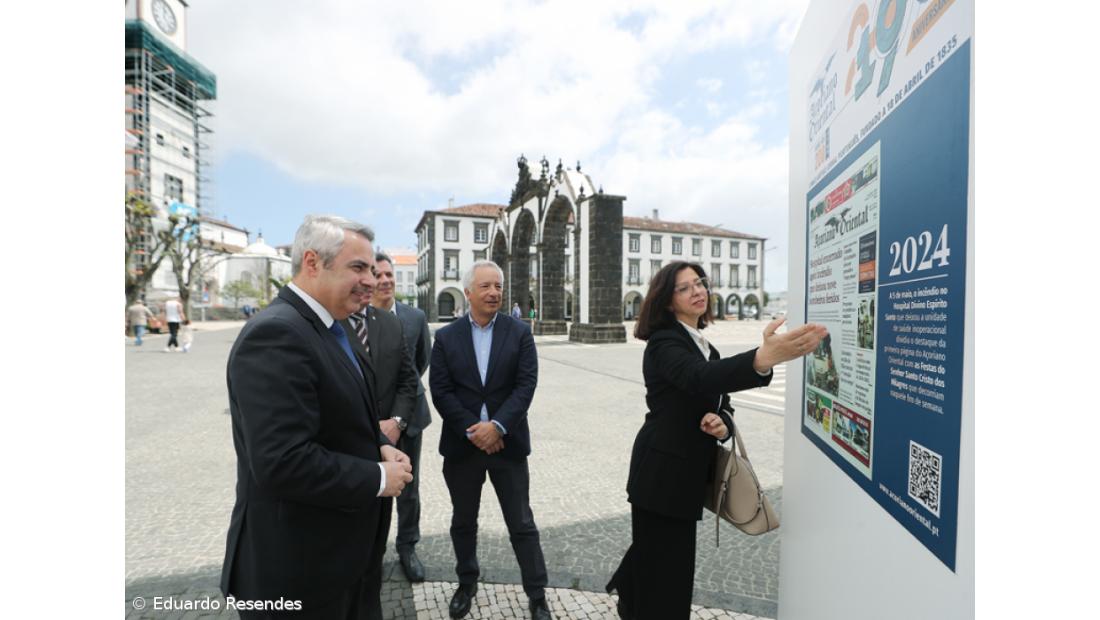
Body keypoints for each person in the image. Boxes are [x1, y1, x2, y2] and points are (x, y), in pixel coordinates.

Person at [606, 261, 827, 620]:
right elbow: (698, 378)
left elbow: (720, 398)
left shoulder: (702, 344)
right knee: (668, 575)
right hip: (661, 476)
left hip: (684, 476)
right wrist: (761, 359)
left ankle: (630, 596)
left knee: (658, 560)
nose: (697, 291)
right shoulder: (664, 343)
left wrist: (722, 423)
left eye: (700, 283)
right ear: (666, 301)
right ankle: (637, 602)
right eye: (685, 287)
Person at [220, 215, 413, 620]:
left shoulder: (330, 327)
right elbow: (282, 462)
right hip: (298, 572)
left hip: (340, 563)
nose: (372, 280)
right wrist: (378, 477)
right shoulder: (276, 334)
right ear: (312, 263)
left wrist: (378, 445)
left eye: (373, 270)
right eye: (357, 268)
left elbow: (337, 417)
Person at [430, 260, 553, 620]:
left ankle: (537, 593)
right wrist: (475, 430)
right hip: (462, 448)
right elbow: (441, 390)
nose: (494, 292)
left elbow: (525, 385)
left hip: (508, 446)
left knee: (522, 524)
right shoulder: (446, 337)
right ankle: (466, 582)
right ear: (468, 292)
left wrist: (497, 427)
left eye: (498, 286)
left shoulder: (519, 332)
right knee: (463, 521)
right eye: (485, 286)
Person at [368, 253, 434, 582]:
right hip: (373, 423)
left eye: (389, 274)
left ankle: (408, 546)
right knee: (375, 486)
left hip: (409, 418)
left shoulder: (415, 317)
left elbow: (421, 362)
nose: (385, 280)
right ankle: (373, 552)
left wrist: (399, 416)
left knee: (409, 486)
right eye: (378, 274)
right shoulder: (358, 318)